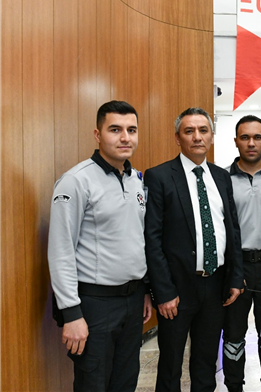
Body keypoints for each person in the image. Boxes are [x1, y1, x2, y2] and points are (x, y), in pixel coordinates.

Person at [48, 100, 152, 391]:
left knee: (125, 382)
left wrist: (144, 290)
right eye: (115, 129)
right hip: (94, 305)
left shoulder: (135, 180)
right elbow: (60, 251)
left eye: (132, 130)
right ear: (97, 134)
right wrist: (71, 313)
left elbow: (136, 240)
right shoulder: (76, 181)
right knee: (93, 383)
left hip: (133, 301)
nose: (125, 137)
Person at [144, 107, 243, 392]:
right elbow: (152, 239)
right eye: (189, 131)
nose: (197, 137)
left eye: (203, 130)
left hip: (215, 286)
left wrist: (235, 277)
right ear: (178, 138)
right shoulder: (159, 176)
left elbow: (232, 230)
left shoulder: (221, 177)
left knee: (206, 361)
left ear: (211, 136)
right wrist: (163, 292)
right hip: (177, 289)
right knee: (171, 364)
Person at [223, 115, 261, 392]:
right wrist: (232, 273)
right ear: (236, 141)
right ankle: (234, 386)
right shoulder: (222, 179)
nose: (251, 143)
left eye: (257, 137)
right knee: (233, 335)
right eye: (245, 137)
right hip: (236, 269)